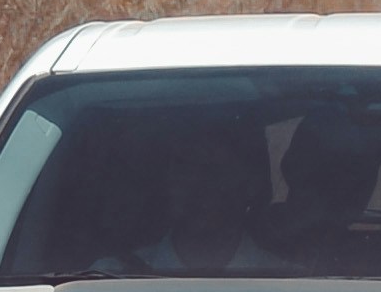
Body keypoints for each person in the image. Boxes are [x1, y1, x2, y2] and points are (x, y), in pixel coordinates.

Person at [83, 114, 297, 276]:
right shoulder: (104, 278)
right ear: (167, 181)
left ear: (249, 184)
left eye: (215, 170)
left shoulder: (292, 285)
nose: (198, 184)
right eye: (185, 168)